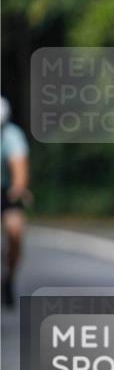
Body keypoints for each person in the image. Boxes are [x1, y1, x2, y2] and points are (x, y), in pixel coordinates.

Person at [1, 96, 29, 308]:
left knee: (15, 230)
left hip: (6, 192)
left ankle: (9, 276)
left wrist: (18, 189)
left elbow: (19, 171)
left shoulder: (12, 136)